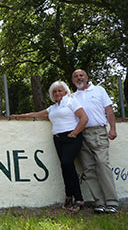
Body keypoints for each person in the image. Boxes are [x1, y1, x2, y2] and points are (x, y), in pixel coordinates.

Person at [11, 81, 88, 212]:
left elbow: (84, 118)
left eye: (60, 91)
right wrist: (18, 116)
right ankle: (69, 198)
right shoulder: (53, 108)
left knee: (67, 163)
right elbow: (36, 114)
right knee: (65, 167)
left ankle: (79, 199)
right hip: (58, 139)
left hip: (72, 138)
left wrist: (74, 133)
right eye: (55, 91)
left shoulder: (71, 102)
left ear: (65, 92)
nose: (57, 93)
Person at [72, 69, 119, 214]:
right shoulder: (72, 96)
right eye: (76, 76)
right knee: (88, 169)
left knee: (102, 164)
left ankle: (111, 202)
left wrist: (113, 129)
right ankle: (99, 203)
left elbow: (109, 110)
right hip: (81, 134)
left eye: (81, 75)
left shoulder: (99, 90)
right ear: (73, 80)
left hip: (98, 131)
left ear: (86, 77)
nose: (79, 78)